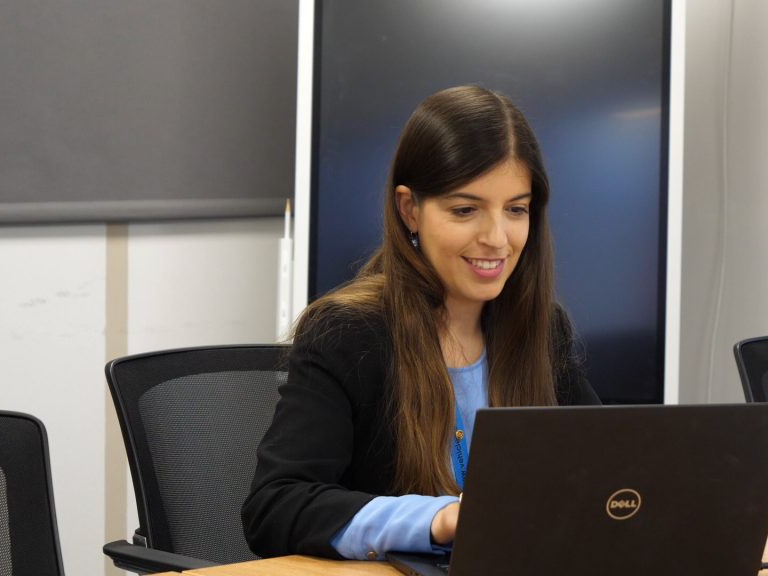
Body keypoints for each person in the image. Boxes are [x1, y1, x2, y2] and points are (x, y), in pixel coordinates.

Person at [241, 85, 600, 561]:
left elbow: (607, 470)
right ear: (410, 209)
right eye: (465, 210)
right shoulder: (346, 334)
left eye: (516, 209)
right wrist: (440, 519)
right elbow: (276, 506)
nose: (497, 238)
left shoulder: (542, 329)